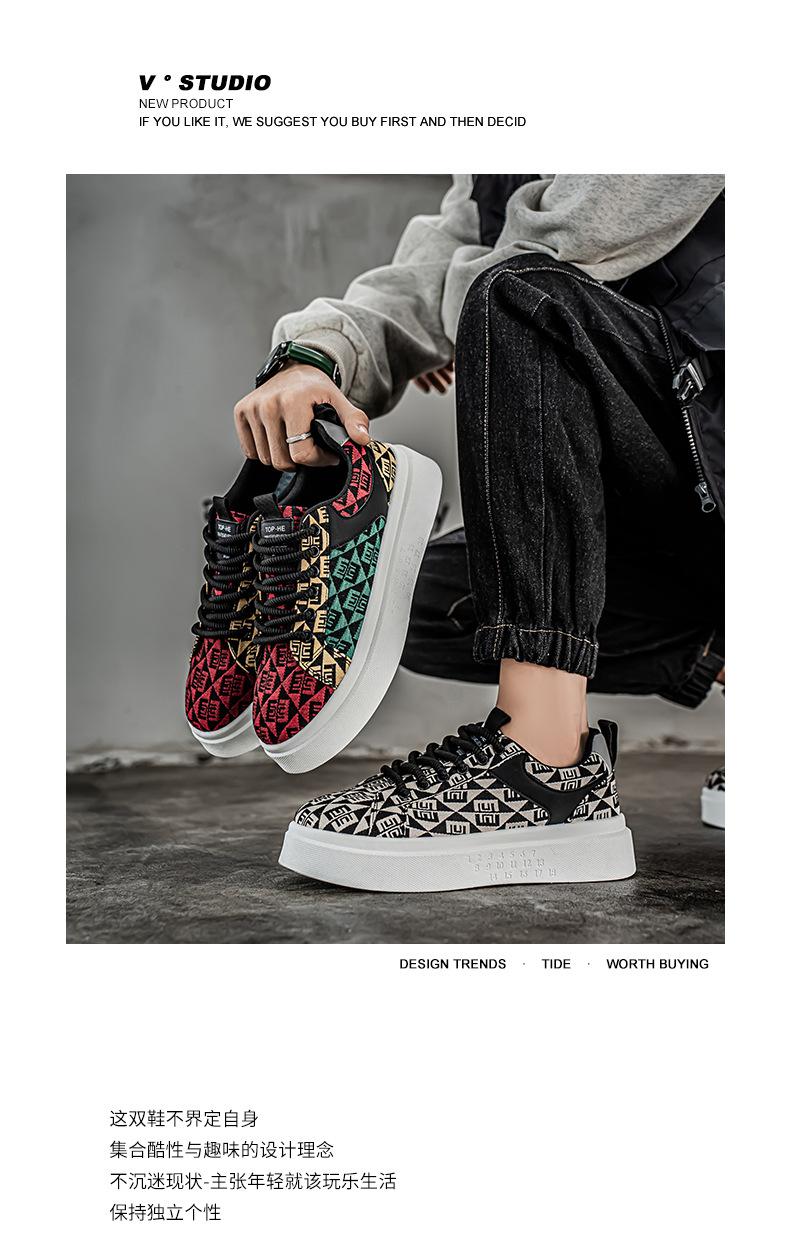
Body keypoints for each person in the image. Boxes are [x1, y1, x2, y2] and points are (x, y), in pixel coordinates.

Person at [233, 175, 725, 859]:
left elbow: (581, 230)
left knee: (524, 299)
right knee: (412, 595)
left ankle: (547, 769)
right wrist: (313, 357)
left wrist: (470, 308)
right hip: (676, 506)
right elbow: (435, 263)